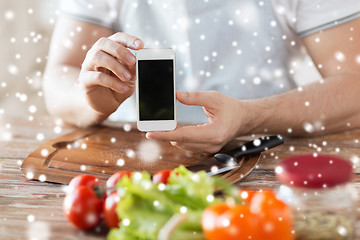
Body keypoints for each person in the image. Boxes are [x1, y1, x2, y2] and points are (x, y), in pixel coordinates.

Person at [43, 0, 360, 154]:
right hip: (130, 157)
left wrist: (249, 117)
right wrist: (90, 100)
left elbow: (354, 86)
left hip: (260, 153)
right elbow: (59, 77)